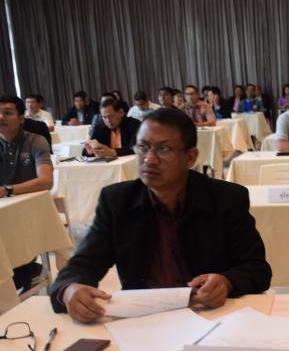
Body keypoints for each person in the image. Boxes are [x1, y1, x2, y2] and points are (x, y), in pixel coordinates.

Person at [49, 108, 272, 322]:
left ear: (190, 157)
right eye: (143, 147)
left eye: (163, 149)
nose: (149, 159)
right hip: (143, 321)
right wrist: (69, 290)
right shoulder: (117, 201)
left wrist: (227, 281)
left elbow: (257, 269)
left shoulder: (225, 198)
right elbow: (82, 264)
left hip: (210, 316)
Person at [0, 95, 53, 292]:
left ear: (21, 118)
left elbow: (46, 181)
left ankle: (24, 270)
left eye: (7, 113)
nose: (1, 117)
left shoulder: (35, 141)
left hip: (29, 209)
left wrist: (8, 190)